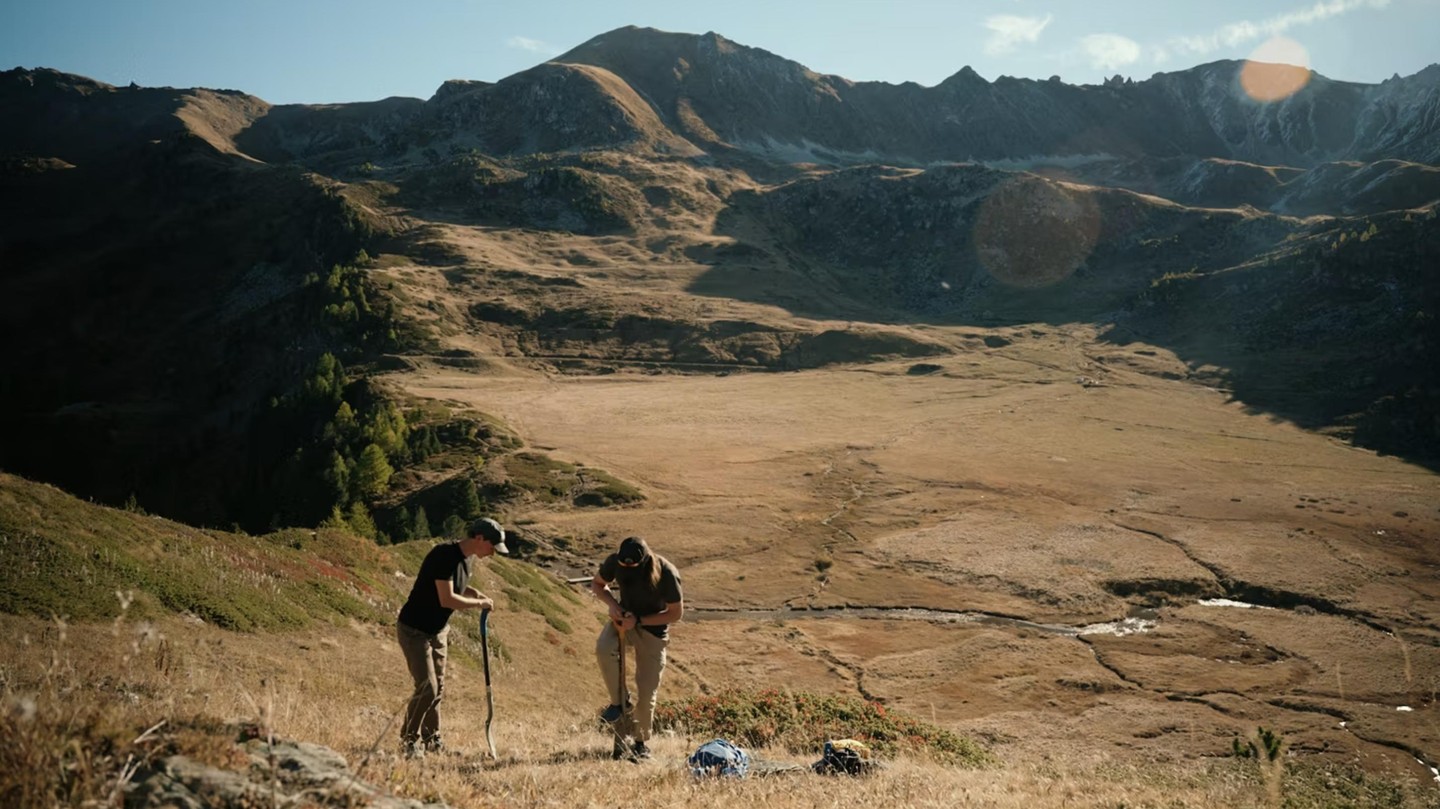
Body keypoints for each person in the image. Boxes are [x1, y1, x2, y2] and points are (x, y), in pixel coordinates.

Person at [395, 517, 508, 759]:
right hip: (415, 630)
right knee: (427, 688)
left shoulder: (466, 559)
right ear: (479, 539)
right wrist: (480, 603)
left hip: (438, 630)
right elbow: (447, 599)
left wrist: (475, 593)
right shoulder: (443, 555)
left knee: (438, 689)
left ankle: (431, 738)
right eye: (492, 547)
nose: (493, 554)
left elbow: (456, 587)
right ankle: (408, 741)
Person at [591, 535, 684, 760]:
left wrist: (639, 621)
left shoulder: (666, 572)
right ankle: (619, 702)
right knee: (604, 648)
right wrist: (613, 606)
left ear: (643, 562)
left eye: (632, 565)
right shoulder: (615, 561)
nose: (626, 568)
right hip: (624, 620)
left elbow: (676, 613)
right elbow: (597, 584)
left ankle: (640, 744)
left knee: (647, 692)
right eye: (624, 565)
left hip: (653, 630)